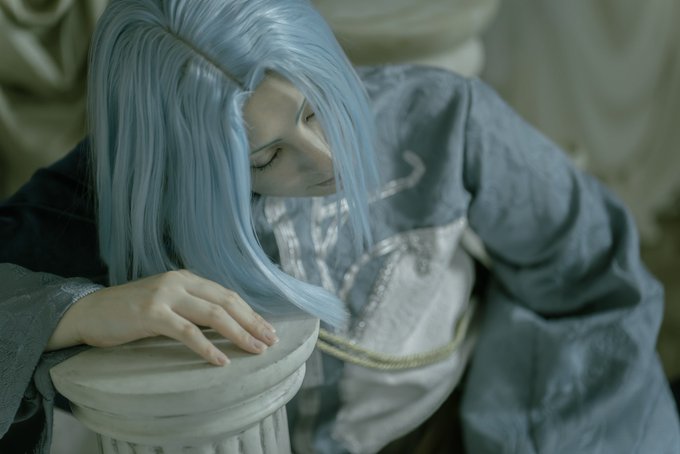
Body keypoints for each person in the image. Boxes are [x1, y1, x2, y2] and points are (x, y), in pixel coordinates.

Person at [1, 0, 678, 452]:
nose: (327, 159)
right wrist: (72, 313)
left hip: (466, 425)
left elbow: (591, 271)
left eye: (315, 106)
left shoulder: (442, 118)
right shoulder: (92, 204)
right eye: (266, 158)